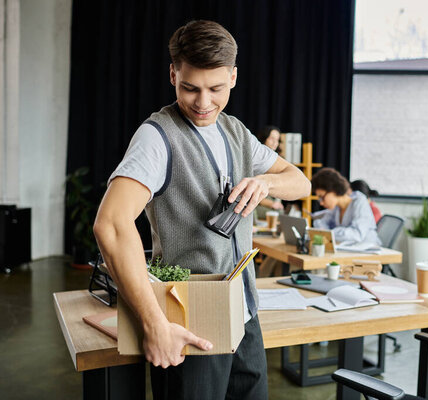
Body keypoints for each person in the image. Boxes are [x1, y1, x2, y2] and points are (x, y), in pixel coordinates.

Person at [93, 20, 310, 399]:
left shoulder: (236, 131)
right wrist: (155, 324)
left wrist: (266, 183)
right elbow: (110, 225)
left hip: (245, 313)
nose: (203, 103)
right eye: (190, 88)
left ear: (234, 77)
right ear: (173, 73)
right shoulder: (156, 137)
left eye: (216, 89)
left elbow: (300, 181)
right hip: (188, 317)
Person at [311, 168, 381, 245]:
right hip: (348, 249)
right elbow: (322, 223)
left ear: (333, 190)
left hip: (368, 250)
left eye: (322, 197)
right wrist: (326, 232)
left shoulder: (359, 201)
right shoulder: (336, 207)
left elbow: (356, 234)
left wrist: (328, 233)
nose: (321, 203)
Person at [254, 126, 284, 219]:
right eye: (272, 139)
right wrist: (272, 204)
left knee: (281, 213)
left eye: (277, 140)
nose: (275, 143)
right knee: (279, 215)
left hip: (272, 200)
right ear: (264, 138)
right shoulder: (256, 158)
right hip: (257, 202)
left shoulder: (280, 160)